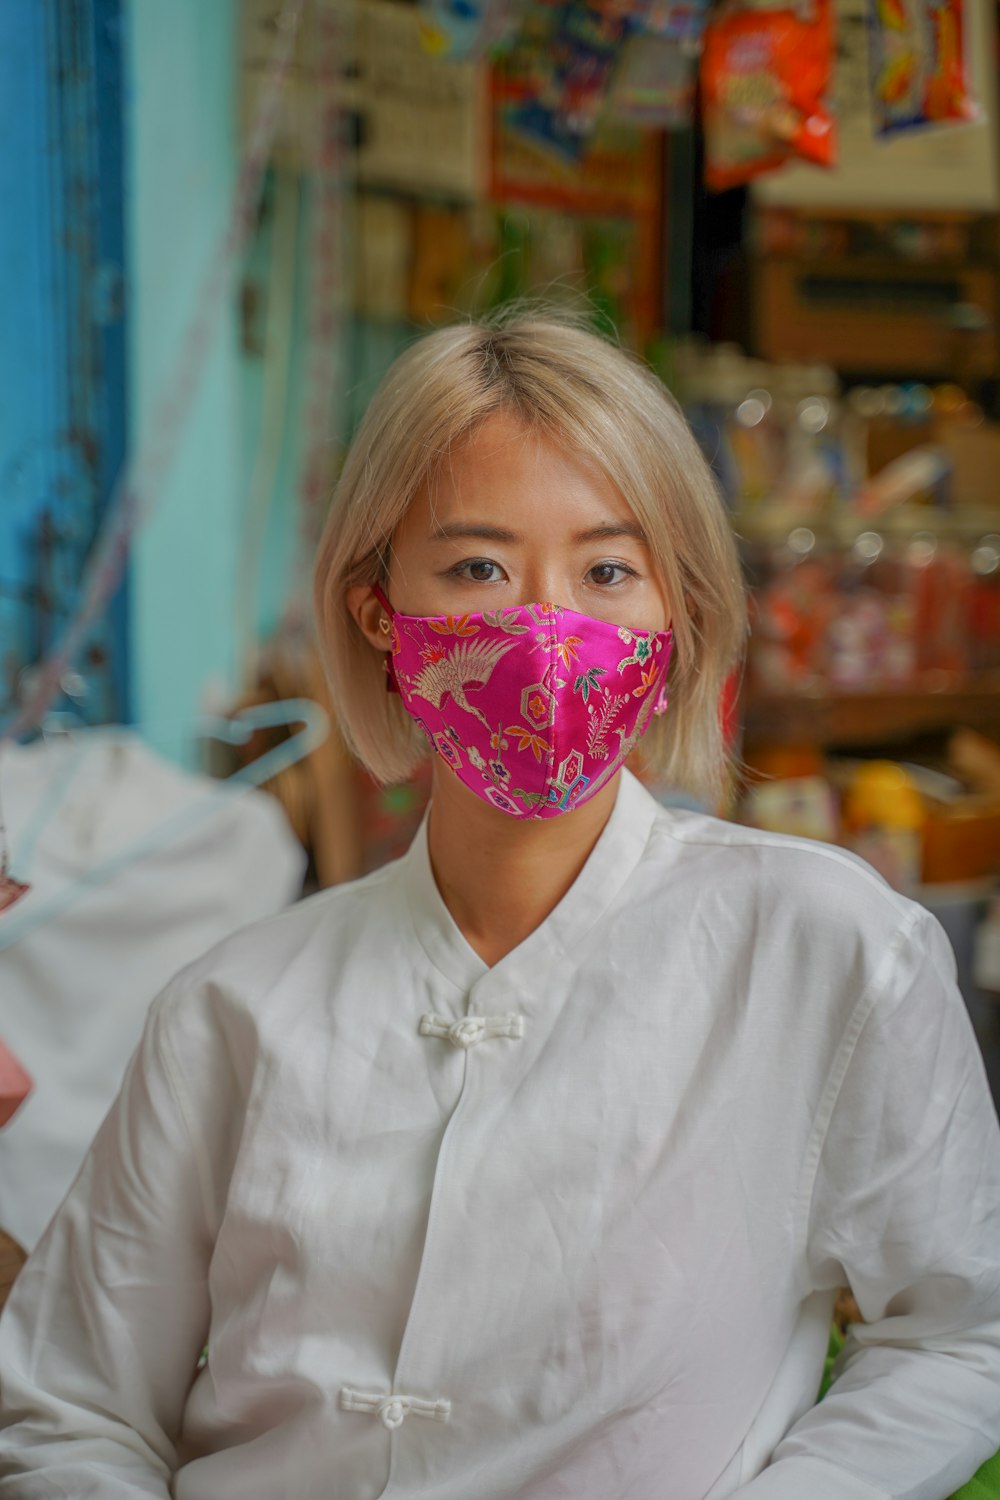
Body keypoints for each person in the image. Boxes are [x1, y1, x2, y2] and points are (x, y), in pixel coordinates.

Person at [1, 311, 999, 1500]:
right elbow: (70, 1406)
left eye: (606, 571)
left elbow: (956, 1332)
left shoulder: (825, 950)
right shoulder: (233, 1007)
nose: (545, 629)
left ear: (672, 617)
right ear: (381, 611)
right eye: (477, 566)